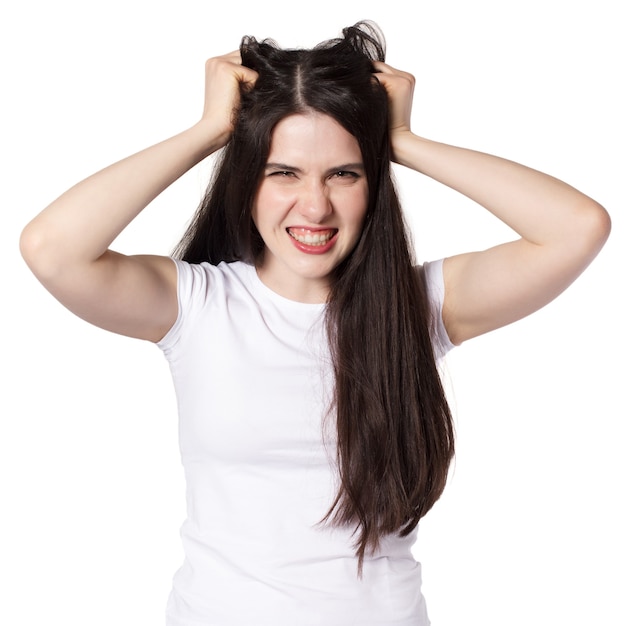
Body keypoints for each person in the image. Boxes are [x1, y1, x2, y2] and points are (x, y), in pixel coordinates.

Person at [19, 21, 610, 626]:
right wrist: (207, 133)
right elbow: (51, 248)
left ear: (372, 183)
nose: (315, 205)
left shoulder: (416, 305)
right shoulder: (196, 305)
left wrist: (399, 139)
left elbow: (577, 228)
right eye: (284, 173)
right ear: (246, 180)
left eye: (343, 173)